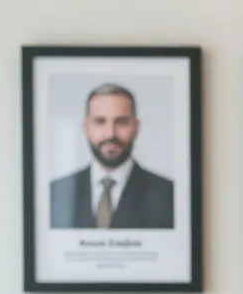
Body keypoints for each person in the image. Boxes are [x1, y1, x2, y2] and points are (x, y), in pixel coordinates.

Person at [50, 83, 174, 230]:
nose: (110, 134)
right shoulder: (56, 193)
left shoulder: (168, 195)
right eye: (100, 122)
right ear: (86, 127)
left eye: (121, 122)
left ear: (136, 127)